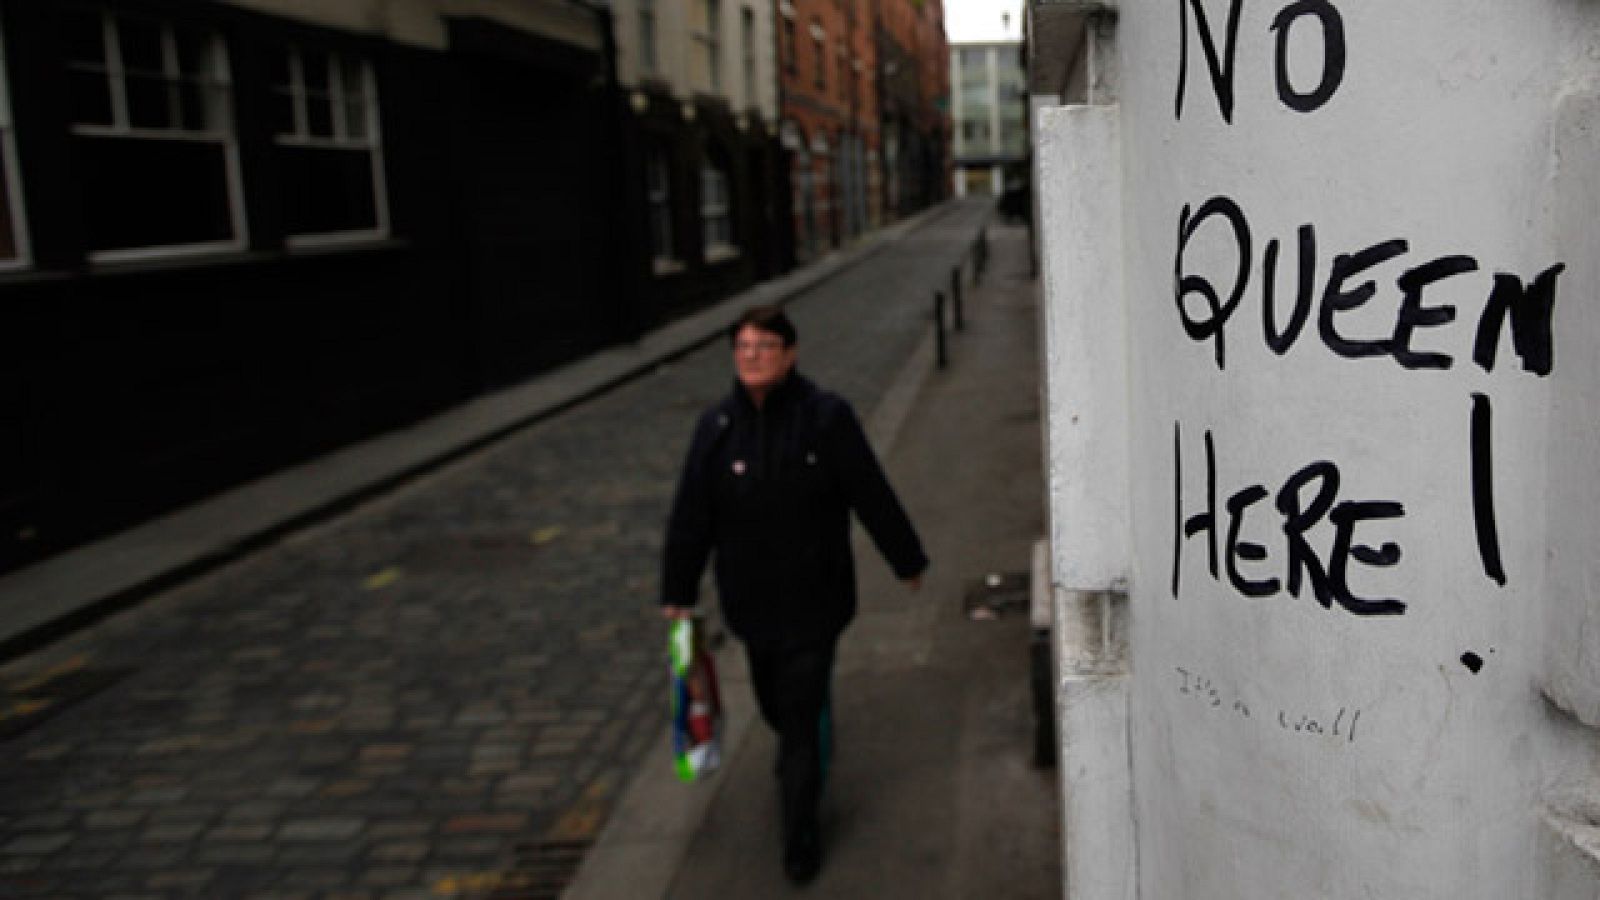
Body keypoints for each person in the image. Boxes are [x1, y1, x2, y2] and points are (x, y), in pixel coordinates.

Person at [660, 304, 928, 884]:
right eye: (743, 349)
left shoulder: (825, 418)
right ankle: (801, 745)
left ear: (790, 353)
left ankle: (800, 837)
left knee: (799, 725)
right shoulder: (717, 428)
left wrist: (906, 560)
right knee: (776, 708)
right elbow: (691, 516)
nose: (752, 357)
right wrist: (677, 591)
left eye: (764, 347)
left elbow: (868, 491)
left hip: (815, 598)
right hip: (751, 606)